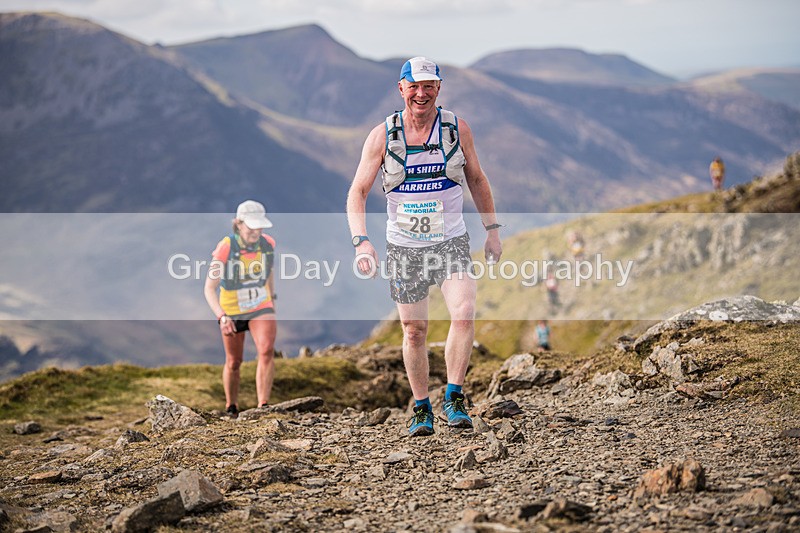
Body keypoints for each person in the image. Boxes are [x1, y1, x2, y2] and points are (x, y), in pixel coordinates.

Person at [346, 57, 503, 437]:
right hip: (405, 248)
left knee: (464, 313)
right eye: (414, 86)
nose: (422, 93)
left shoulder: (455, 128)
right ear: (401, 89)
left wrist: (492, 230)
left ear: (438, 88)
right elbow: (358, 191)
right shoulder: (382, 136)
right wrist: (361, 241)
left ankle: (454, 397)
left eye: (429, 85)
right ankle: (421, 408)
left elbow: (477, 180)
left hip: (451, 242)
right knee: (414, 330)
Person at [203, 200, 277, 418]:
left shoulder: (268, 243)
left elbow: (269, 271)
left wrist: (271, 299)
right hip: (231, 310)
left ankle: (263, 405)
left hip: (260, 306)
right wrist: (221, 316)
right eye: (251, 226)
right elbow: (209, 288)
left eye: (259, 226)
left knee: (266, 350)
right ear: (239, 224)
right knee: (234, 361)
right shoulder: (226, 247)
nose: (256, 231)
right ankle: (231, 406)